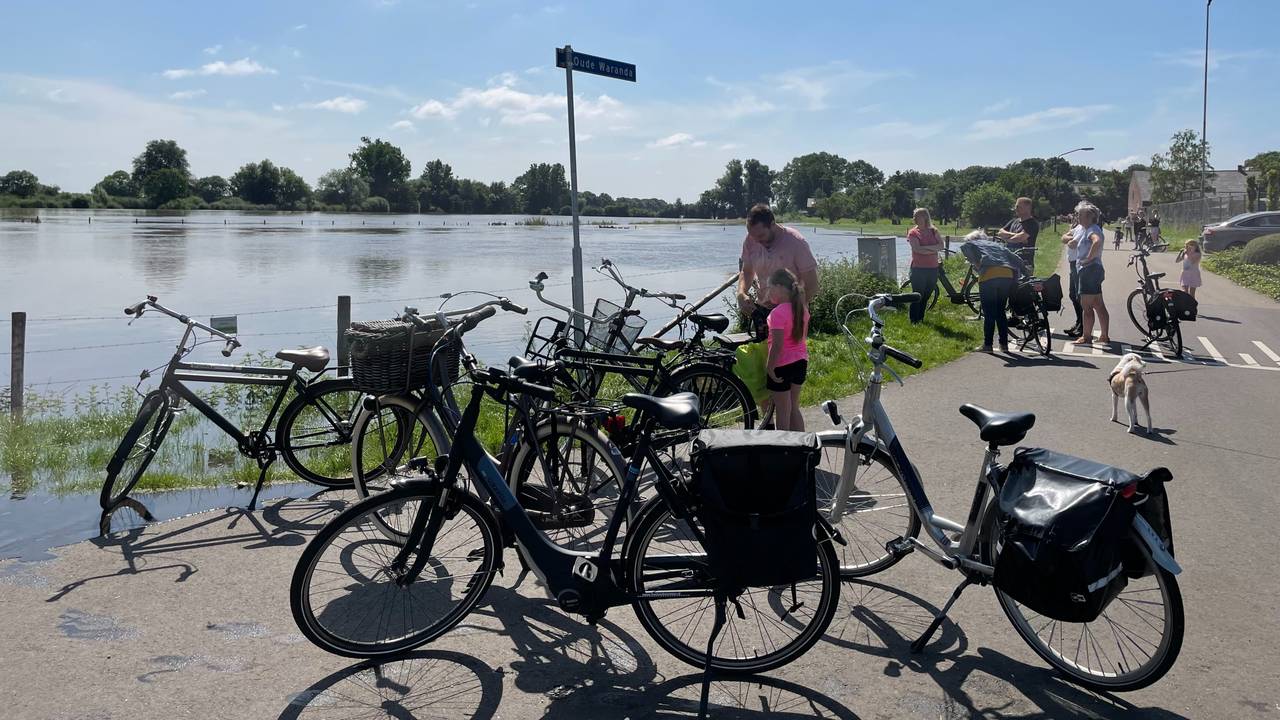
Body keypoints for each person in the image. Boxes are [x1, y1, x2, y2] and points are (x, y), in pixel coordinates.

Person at [960, 231, 1027, 354]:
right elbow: (1016, 259)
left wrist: (977, 265)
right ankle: (1004, 345)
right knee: (1001, 311)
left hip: (989, 277)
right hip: (1007, 276)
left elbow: (967, 251)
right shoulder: (997, 245)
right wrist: (1025, 272)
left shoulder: (972, 244)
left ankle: (988, 345)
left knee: (989, 313)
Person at [764, 268, 809, 432]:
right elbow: (802, 339)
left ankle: (782, 445)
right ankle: (802, 443)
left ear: (780, 287)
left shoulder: (777, 313)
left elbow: (777, 346)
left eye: (770, 288)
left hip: (782, 365)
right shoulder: (802, 310)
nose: (768, 292)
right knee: (794, 407)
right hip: (801, 362)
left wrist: (769, 367)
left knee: (783, 412)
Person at [1072, 203, 1110, 346]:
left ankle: (1086, 336)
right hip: (1095, 270)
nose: (1078, 217)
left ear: (1089, 217)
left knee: (1087, 307)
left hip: (1089, 271)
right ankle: (1104, 335)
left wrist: (1088, 259)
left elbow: (1097, 241)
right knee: (1099, 304)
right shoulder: (1090, 229)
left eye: (1080, 215)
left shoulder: (1092, 230)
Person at [906, 207, 944, 324]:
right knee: (918, 295)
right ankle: (913, 320)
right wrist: (933, 249)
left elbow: (941, 246)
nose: (916, 218)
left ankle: (920, 318)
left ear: (925, 217)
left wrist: (925, 249)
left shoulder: (934, 231)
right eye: (915, 216)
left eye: (918, 216)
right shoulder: (913, 233)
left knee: (927, 295)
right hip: (918, 269)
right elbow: (917, 249)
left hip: (933, 268)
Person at [996, 196, 1040, 272]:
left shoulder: (1033, 224)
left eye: (1018, 207)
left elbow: (1018, 239)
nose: (1015, 209)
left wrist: (1006, 238)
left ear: (1027, 208)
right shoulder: (1013, 221)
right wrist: (1015, 235)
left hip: (1024, 264)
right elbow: (1000, 232)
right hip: (1009, 262)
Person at [1061, 211, 1085, 337]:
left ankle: (1083, 326)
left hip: (1079, 264)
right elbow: (1063, 238)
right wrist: (1072, 238)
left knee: (1079, 296)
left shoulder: (1086, 229)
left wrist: (1071, 239)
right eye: (1076, 215)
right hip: (1073, 264)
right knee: (1073, 295)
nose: (1076, 217)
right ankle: (1079, 322)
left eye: (1079, 215)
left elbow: (1072, 244)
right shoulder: (1078, 227)